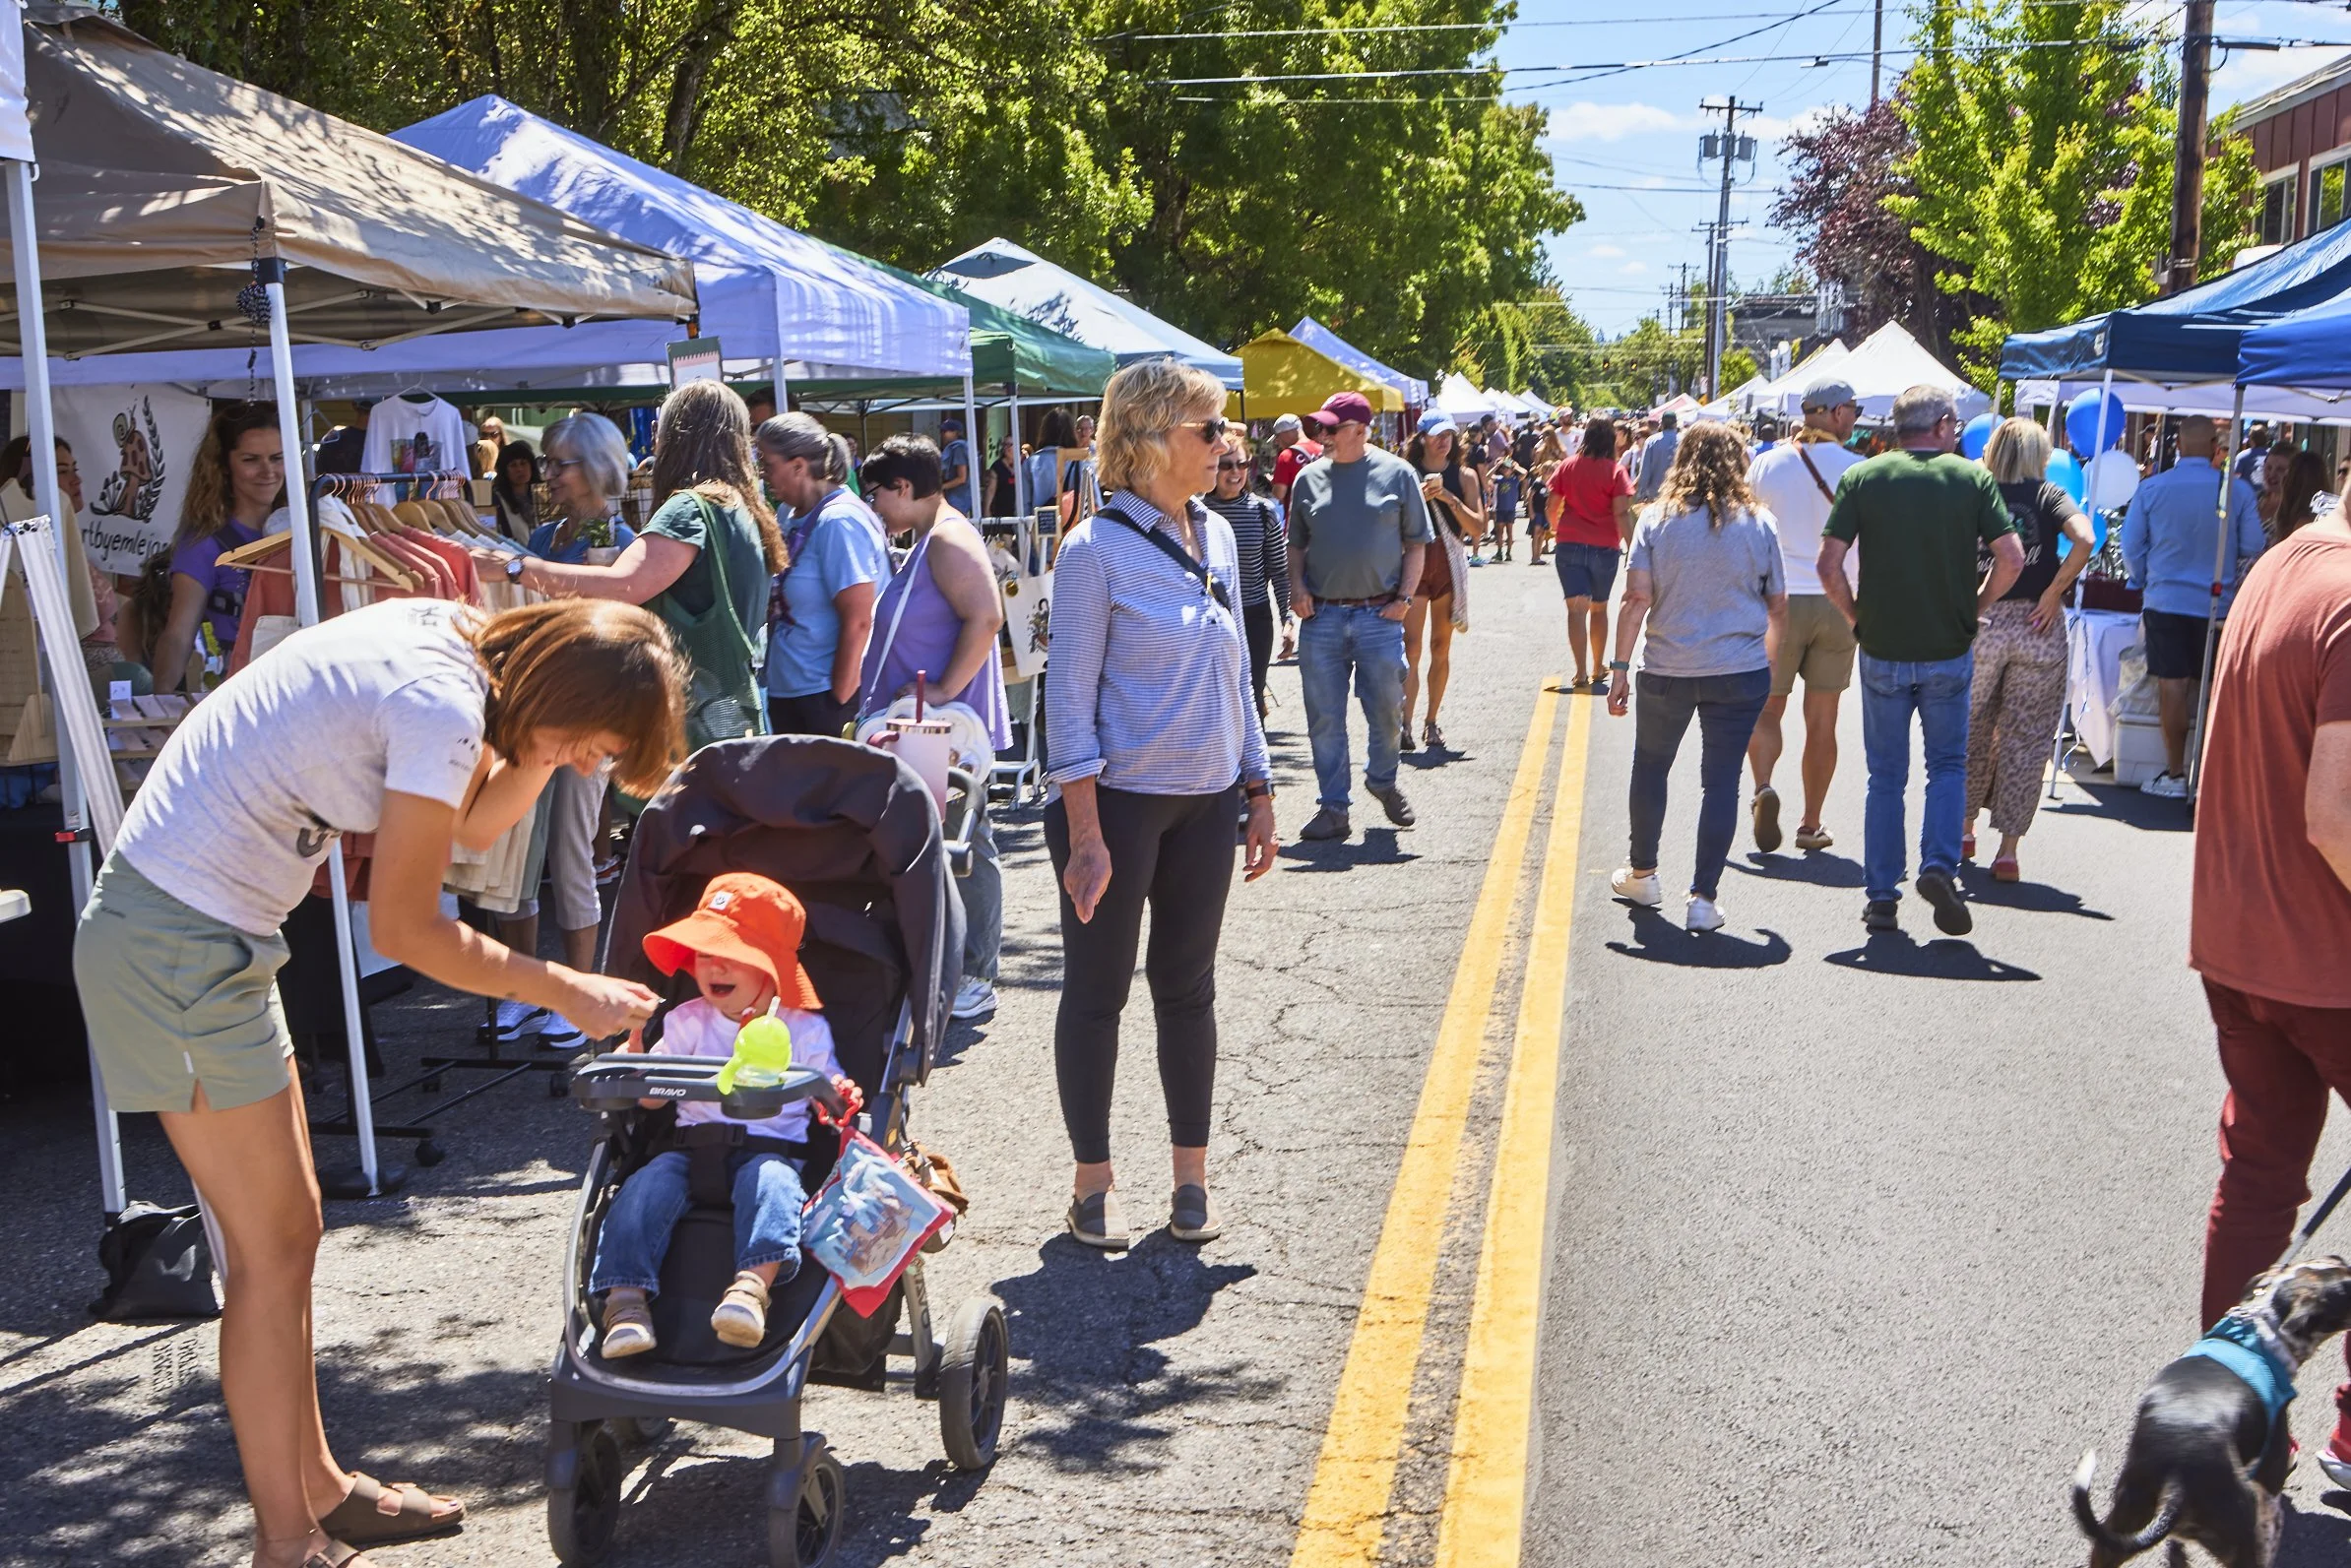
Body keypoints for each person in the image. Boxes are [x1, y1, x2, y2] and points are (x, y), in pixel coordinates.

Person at [73, 596, 683, 1568]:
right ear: (556, 691)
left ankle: (317, 1488)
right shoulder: (441, 703)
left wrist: (545, 749)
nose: (585, 765)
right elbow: (404, 929)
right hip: (172, 948)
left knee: (288, 1236)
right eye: (587, 742)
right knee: (268, 1256)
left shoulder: (460, 647)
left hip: (210, 939)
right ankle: (287, 1541)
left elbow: (474, 828)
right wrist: (560, 987)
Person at [1043, 360, 1277, 1249]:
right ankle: (1092, 1182)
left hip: (1207, 802)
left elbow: (1239, 680)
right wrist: (1088, 833)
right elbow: (1066, 703)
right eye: (1208, 430)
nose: (1225, 445)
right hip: (1117, 809)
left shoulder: (1217, 533)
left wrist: (1256, 785)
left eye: (1224, 430)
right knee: (1097, 993)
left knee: (1188, 991)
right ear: (1147, 441)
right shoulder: (1092, 550)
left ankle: (1190, 1180)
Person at [2186, 493, 2351, 1487]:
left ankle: (2241, 1435)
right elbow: (2335, 814)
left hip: (2240, 940)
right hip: (2326, 953)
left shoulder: (2285, 561)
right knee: (2258, 1182)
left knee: (2255, 1181)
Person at [591, 873, 852, 1356]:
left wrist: (837, 1095)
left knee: (774, 1189)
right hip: (690, 1150)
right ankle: (625, 1303)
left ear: (771, 969)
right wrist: (639, 1066)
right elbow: (652, 1102)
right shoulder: (686, 1020)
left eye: (732, 957)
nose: (714, 967)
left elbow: (829, 1096)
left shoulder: (803, 1030)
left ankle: (751, 1290)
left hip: (771, 1152)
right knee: (639, 1191)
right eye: (705, 955)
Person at [1818, 385, 2024, 936]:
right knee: (1947, 766)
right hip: (1946, 646)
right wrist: (1975, 605)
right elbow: (2012, 558)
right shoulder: (1971, 479)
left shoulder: (1864, 477)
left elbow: (1828, 564)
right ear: (1939, 424)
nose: (1957, 432)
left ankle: (1882, 896)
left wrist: (1856, 616)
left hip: (1883, 644)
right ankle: (1938, 866)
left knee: (1884, 777)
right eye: (1954, 424)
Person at [507, 381, 782, 760]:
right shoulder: (741, 506)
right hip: (726, 708)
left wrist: (514, 568)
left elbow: (622, 586)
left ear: (679, 434)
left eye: (661, 425)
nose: (654, 436)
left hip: (690, 715)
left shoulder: (691, 508)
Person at [486, 413, 644, 1046]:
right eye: (546, 464)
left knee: (573, 855)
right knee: (516, 853)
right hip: (534, 712)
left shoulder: (623, 542)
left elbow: (616, 629)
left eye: (559, 464)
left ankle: (578, 991)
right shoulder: (547, 537)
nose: (546, 474)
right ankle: (523, 989)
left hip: (587, 720)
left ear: (596, 468)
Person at [1605, 422, 1788, 932]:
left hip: (1668, 666)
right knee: (1721, 782)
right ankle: (1703, 899)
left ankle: (1642, 873)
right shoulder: (1760, 522)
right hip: (1740, 668)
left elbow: (1636, 598)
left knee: (1651, 768)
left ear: (1679, 460)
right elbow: (1778, 604)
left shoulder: (1655, 520)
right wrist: (1769, 661)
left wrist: (1619, 670)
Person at [857, 435, 1012, 1021]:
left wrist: (944, 689)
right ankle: (953, 966)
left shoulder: (946, 538)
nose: (874, 509)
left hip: (940, 726)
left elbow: (988, 615)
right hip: (925, 726)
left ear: (903, 488)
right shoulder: (933, 538)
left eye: (876, 495)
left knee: (966, 839)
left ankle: (974, 973)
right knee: (945, 839)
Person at [1290, 391, 1431, 842]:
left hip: (1379, 616)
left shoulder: (1398, 473)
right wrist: (1296, 588)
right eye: (1320, 429)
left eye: (1330, 428)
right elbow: (1295, 545)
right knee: (1324, 719)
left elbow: (1416, 543)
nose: (1322, 436)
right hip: (1323, 618)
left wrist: (1405, 600)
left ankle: (1383, 780)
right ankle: (1334, 808)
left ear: (1359, 430)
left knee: (1389, 711)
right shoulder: (1307, 480)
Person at [1962, 417, 2096, 882]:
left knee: (1969, 729)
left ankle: (1962, 830)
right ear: (2040, 455)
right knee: (2027, 738)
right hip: (2038, 627)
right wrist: (2055, 590)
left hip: (1982, 620)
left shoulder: (1976, 492)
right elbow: (2085, 539)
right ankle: (2008, 850)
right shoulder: (2048, 495)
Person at [1742, 377, 1866, 852]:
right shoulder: (1858, 469)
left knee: (1769, 707)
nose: (1855, 417)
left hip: (1778, 601)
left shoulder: (1765, 464)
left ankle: (1763, 788)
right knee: (1823, 718)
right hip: (1838, 601)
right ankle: (1811, 823)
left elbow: (1746, 530)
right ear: (1835, 413)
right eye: (1852, 409)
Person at [2120, 414, 2266, 798]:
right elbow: (2253, 545)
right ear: (2217, 448)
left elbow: (2130, 547)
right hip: (2219, 603)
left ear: (2178, 446)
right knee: (2215, 690)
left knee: (2172, 687)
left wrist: (2142, 578)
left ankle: (2175, 772)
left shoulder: (2152, 489)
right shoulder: (2237, 492)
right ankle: (2211, 774)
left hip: (2166, 599)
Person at [755, 413, 888, 736]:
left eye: (767, 464)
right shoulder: (790, 514)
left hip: (823, 698)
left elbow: (859, 619)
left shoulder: (839, 521)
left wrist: (839, 697)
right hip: (790, 691)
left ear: (798, 465)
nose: (762, 473)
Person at [153, 404, 285, 695]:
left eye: (277, 458)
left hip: (303, 692)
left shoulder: (307, 529)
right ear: (223, 466)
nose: (268, 471)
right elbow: (178, 634)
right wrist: (158, 708)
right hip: (241, 693)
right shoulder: (204, 544)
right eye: (251, 459)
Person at [1202, 430, 1294, 721]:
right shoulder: (1195, 511)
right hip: (1210, 619)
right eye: (1226, 464)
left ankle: (1255, 762)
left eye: (1241, 465)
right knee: (1214, 700)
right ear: (1213, 465)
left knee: (1252, 697)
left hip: (1254, 617)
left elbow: (1279, 571)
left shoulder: (1263, 512)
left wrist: (1288, 618)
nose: (1235, 472)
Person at [1402, 418, 1478, 752]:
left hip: (1448, 562)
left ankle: (1431, 721)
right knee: (1410, 648)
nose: (1443, 442)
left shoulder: (1465, 475)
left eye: (1448, 435)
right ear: (1422, 438)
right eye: (1437, 436)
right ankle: (1404, 724)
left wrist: (1448, 497)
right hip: (1415, 560)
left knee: (1440, 647)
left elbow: (1478, 527)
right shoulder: (1405, 473)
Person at [1548, 416, 1637, 690]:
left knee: (1576, 609)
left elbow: (1552, 505)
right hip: (1605, 546)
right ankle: (1599, 667)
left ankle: (1581, 672)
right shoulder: (1615, 471)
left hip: (1570, 542)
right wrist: (1633, 547)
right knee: (1599, 609)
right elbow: (1621, 512)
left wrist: (1555, 529)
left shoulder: (1567, 466)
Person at [2262, 446, 2329, 542]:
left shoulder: (2305, 522)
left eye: (2281, 469)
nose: (2272, 474)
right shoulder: (2254, 499)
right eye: (2268, 467)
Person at [1527, 423, 1567, 567]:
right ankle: (1540, 550)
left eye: (1547, 435)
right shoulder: (1540, 449)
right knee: (1538, 524)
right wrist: (1541, 468)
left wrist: (1556, 463)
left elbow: (1565, 462)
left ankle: (1551, 543)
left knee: (1551, 515)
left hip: (1555, 482)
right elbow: (1533, 466)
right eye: (1544, 435)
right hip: (1542, 481)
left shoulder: (1560, 449)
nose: (1545, 438)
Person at [1268, 411, 1322, 508]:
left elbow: (1279, 494)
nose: (1277, 442)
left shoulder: (1286, 456)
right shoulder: (1322, 450)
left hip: (1298, 518)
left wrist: (1274, 483)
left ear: (1286, 433)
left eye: (1278, 437)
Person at [489, 439, 539, 542]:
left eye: (523, 463)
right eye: (513, 465)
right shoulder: (496, 500)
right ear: (505, 471)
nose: (519, 469)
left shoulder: (543, 494)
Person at [1634, 409, 1680, 504]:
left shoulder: (1651, 441)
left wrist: (1641, 494)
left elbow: (1645, 470)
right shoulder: (1684, 440)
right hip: (1678, 495)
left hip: (1655, 495)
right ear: (1675, 424)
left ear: (1661, 424)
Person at [938, 415, 977, 518]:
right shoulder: (965, 446)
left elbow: (961, 478)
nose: (942, 434)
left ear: (956, 433)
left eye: (945, 431)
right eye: (941, 431)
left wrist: (941, 487)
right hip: (962, 497)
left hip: (959, 498)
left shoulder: (958, 448)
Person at [1491, 457, 1523, 563]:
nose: (1505, 470)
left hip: (1510, 509)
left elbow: (1525, 473)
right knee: (1500, 532)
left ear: (1511, 470)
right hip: (1501, 509)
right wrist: (1496, 466)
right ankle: (1499, 551)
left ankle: (1508, 552)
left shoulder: (1515, 480)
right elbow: (1488, 476)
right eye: (1503, 468)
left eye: (1507, 468)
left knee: (1510, 532)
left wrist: (1515, 466)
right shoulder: (1499, 479)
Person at [983, 433, 1020, 519]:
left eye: (1010, 445)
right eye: (1005, 445)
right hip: (1002, 510)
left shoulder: (1023, 464)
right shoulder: (997, 466)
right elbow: (991, 489)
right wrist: (987, 510)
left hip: (1020, 509)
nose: (1007, 448)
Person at [2232, 420, 2271, 489]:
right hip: (2269, 496)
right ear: (2266, 439)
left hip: (2246, 496)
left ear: (2251, 440)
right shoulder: (2274, 455)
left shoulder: (2242, 456)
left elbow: (2235, 479)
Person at [472, 414, 505, 480]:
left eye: (494, 434)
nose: (488, 438)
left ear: (501, 436)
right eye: (484, 434)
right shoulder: (475, 453)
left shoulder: (507, 457)